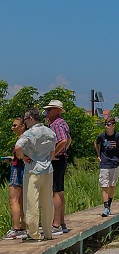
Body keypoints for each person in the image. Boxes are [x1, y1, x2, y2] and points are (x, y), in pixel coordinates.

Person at [16, 108, 56, 242]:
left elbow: (17, 147)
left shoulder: (29, 133)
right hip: (47, 170)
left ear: (31, 119)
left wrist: (23, 157)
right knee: (47, 202)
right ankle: (48, 232)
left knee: (31, 202)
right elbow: (52, 152)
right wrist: (47, 161)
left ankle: (34, 234)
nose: (25, 122)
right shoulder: (50, 132)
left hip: (33, 170)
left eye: (25, 119)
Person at [94, 117, 119, 217]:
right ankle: (106, 208)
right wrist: (98, 155)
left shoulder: (118, 136)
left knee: (112, 186)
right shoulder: (102, 136)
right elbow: (95, 143)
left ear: (113, 125)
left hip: (114, 163)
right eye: (106, 124)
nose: (107, 126)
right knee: (104, 186)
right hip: (104, 164)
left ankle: (109, 206)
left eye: (109, 124)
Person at [44, 99, 71, 235]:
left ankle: (56, 224)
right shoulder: (62, 123)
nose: (46, 112)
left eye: (49, 110)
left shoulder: (56, 124)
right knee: (59, 191)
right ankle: (61, 222)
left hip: (57, 160)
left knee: (55, 192)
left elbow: (63, 140)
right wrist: (63, 151)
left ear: (57, 111)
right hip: (62, 159)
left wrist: (53, 154)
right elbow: (69, 140)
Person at [2, 117, 28, 239]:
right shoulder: (29, 138)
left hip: (17, 168)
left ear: (22, 126)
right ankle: (23, 228)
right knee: (22, 200)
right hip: (26, 169)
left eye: (15, 125)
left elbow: (19, 151)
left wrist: (20, 157)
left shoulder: (21, 139)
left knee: (13, 200)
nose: (12, 128)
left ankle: (16, 228)